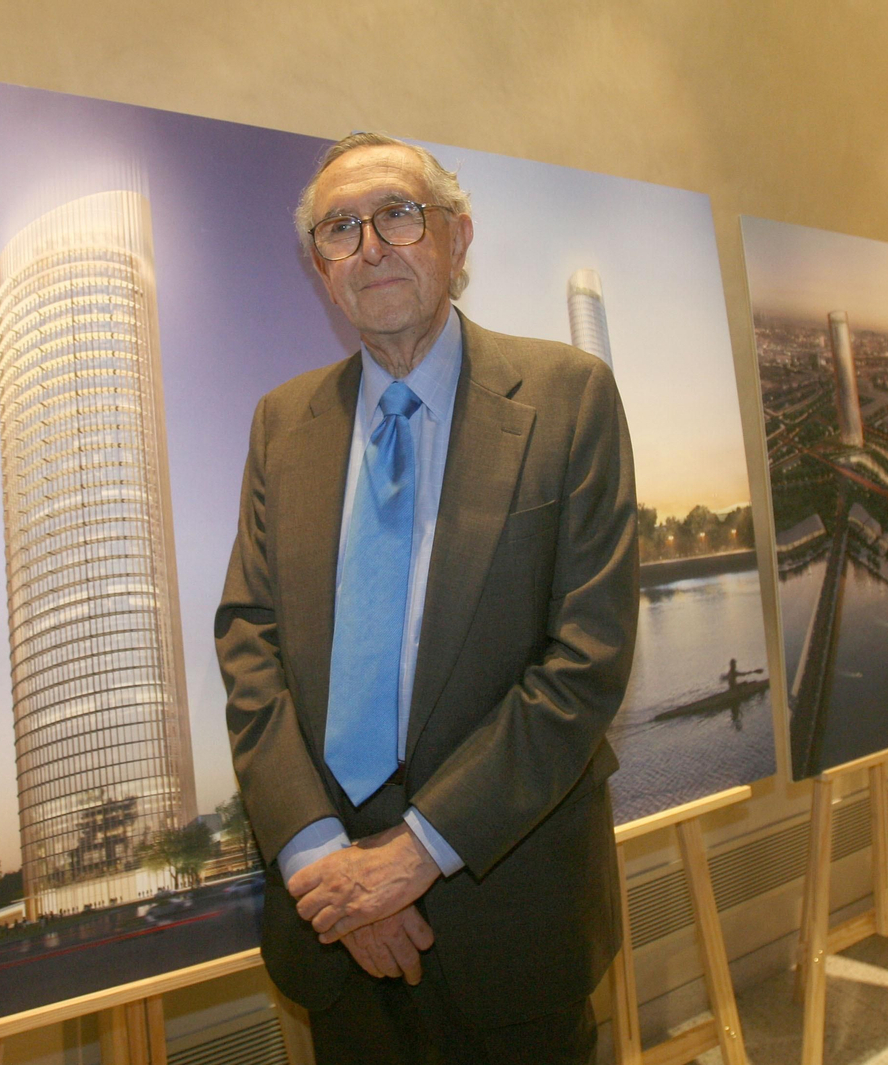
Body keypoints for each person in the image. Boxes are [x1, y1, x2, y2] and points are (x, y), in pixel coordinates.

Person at [214, 132, 639, 1063]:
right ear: (322, 269)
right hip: (335, 929)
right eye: (338, 229)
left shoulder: (571, 400)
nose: (371, 245)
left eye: (398, 214)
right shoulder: (280, 426)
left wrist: (409, 858)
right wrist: (322, 860)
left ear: (457, 237)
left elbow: (586, 662)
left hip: (511, 914)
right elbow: (250, 642)